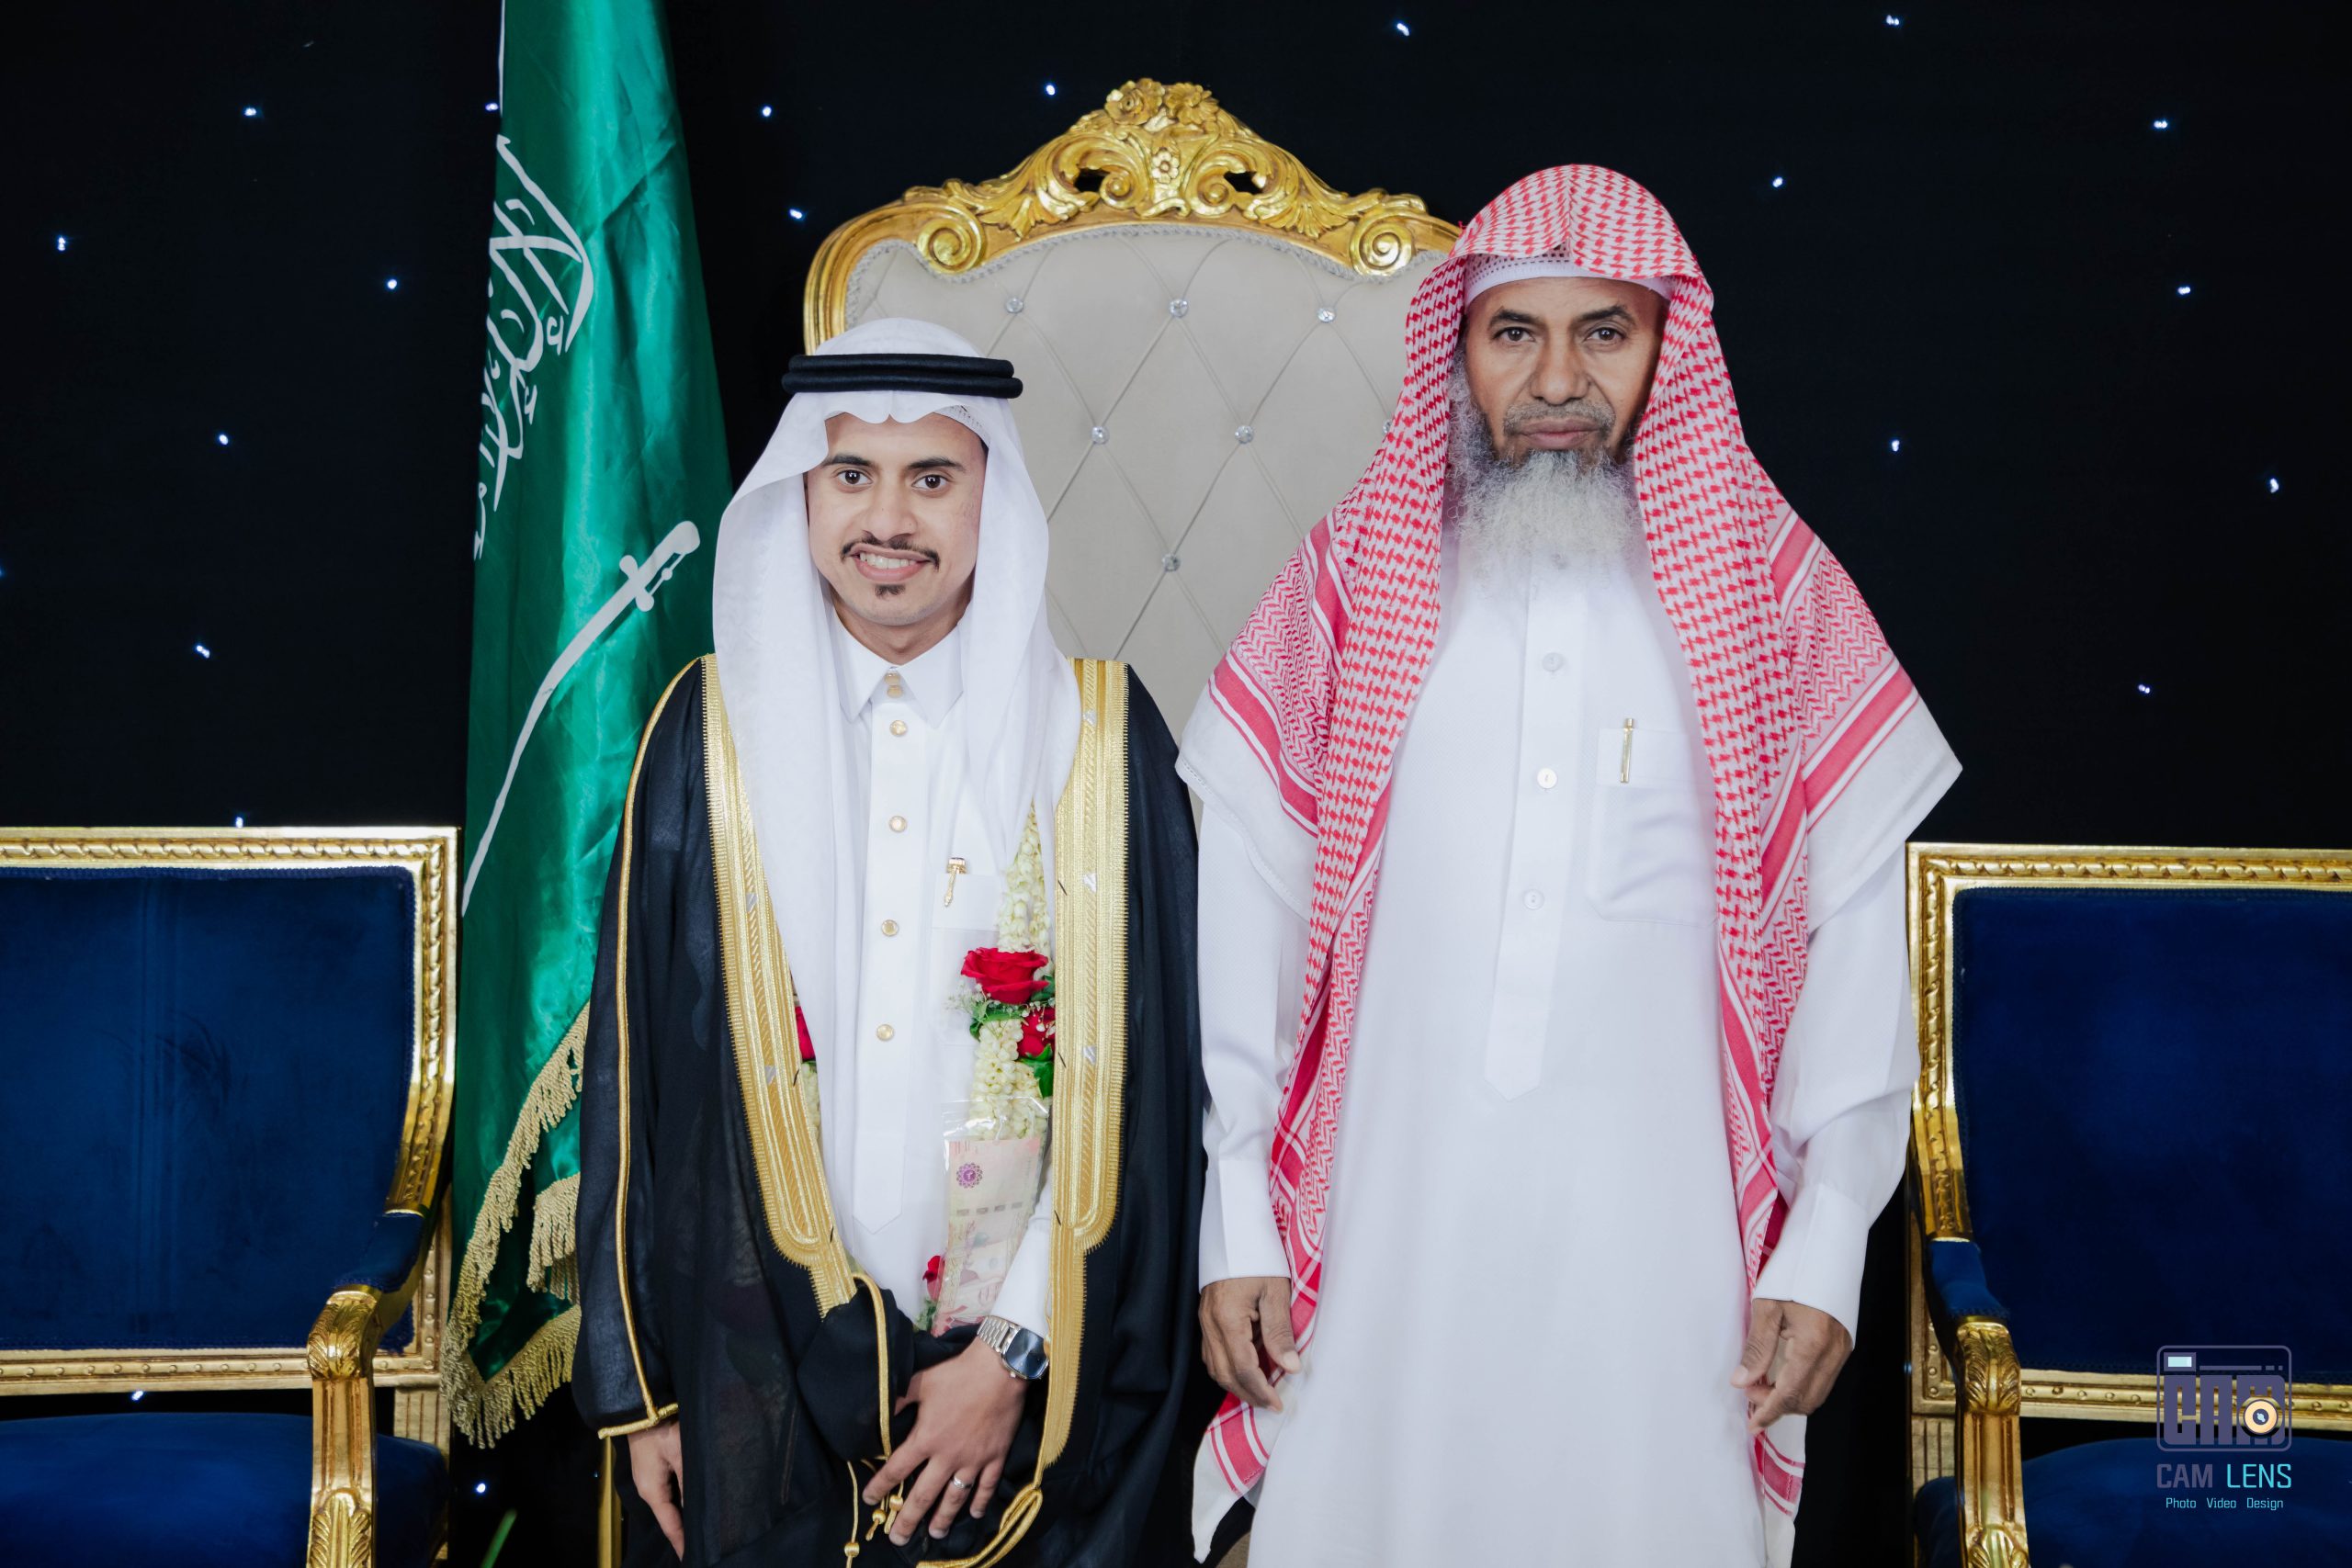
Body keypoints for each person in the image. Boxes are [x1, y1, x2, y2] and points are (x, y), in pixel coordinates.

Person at [1180, 167, 1961, 1566]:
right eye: (1512, 333)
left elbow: (1853, 923)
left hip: (1664, 1261)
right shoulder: (1358, 581)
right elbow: (1253, 885)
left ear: (1666, 346)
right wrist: (1238, 1208)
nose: (1556, 380)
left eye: (1603, 331)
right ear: (1460, 350)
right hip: (1390, 1228)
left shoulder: (1774, 596)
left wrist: (1831, 1229)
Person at [572, 318, 1204, 1566]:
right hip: (751, 1370)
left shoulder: (1097, 742)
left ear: (992, 497)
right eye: (852, 473)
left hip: (1023, 1387)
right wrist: (644, 1391)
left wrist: (1012, 1355)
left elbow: (1147, 1094)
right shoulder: (708, 737)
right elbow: (634, 1083)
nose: (889, 520)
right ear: (801, 495)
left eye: (933, 478)